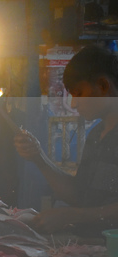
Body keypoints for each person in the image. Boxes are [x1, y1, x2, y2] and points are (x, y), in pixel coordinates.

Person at [14, 44, 118, 234]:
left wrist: (73, 215)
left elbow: (81, 209)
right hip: (93, 249)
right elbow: (79, 195)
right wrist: (38, 157)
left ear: (103, 85)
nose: (74, 103)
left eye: (78, 93)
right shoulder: (97, 134)